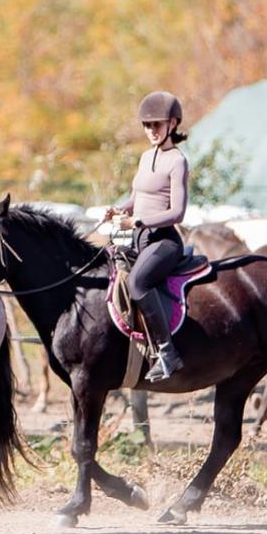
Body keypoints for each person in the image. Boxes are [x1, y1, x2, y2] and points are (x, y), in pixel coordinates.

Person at [106, 90, 202, 383]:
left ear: (173, 123)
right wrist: (118, 209)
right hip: (139, 238)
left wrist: (138, 222)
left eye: (157, 125)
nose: (151, 131)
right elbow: (137, 198)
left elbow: (177, 212)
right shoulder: (146, 156)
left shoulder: (177, 161)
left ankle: (167, 353)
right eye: (147, 126)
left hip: (164, 242)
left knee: (138, 282)